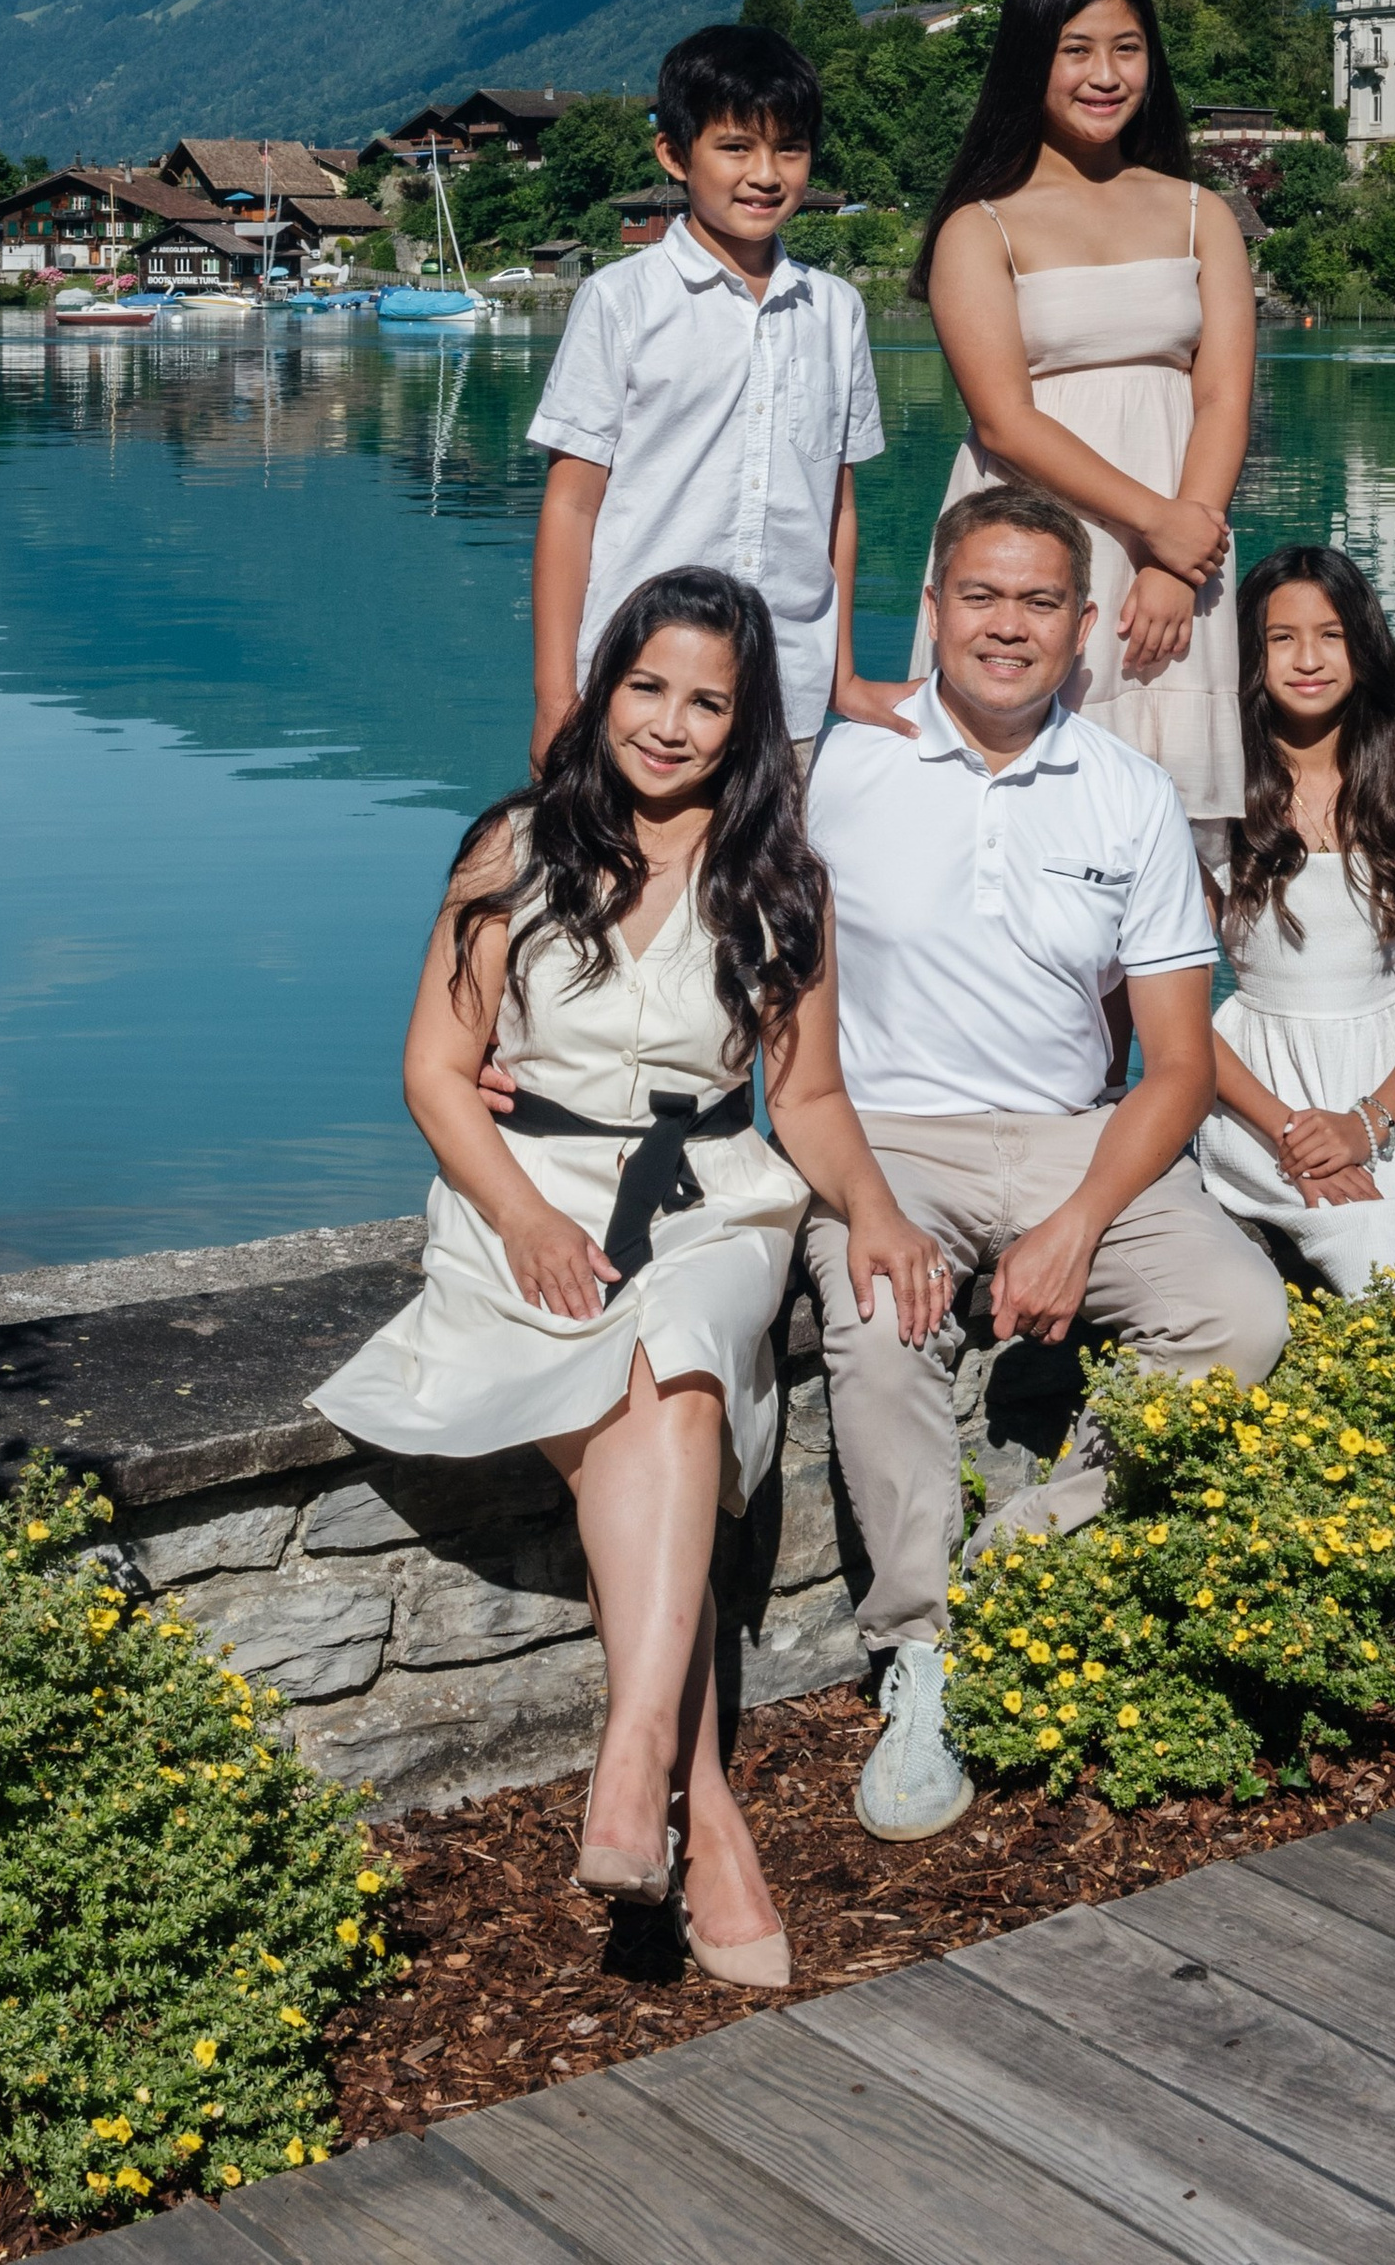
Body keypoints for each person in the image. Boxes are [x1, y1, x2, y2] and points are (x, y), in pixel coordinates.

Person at [309, 567, 949, 1985]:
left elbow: (816, 1101)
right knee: (655, 1405)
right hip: (523, 1193)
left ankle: (632, 1759)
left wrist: (884, 1216)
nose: (670, 723)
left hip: (716, 1201)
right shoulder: (514, 847)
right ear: (605, 687)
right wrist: (529, 1220)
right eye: (647, 686)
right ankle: (695, 1800)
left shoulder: (782, 882)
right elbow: (433, 1069)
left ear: (745, 721)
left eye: (707, 701)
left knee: (675, 1343)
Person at [803, 484, 1291, 1841]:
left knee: (1241, 1312)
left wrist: (1081, 1217)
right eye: (980, 594)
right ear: (934, 608)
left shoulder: (1131, 798)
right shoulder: (841, 766)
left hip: (1083, 1132)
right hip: (889, 1129)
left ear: (1083, 628)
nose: (1005, 626)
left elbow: (1179, 1066)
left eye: (1036, 602)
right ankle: (918, 1647)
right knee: (875, 1315)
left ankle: (1023, 1556)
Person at [911, 0, 1254, 863]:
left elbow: (1222, 397)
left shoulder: (1200, 213)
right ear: (1031, 60)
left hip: (1186, 548)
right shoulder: (979, 226)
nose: (1106, 75)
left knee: (1169, 850)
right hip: (1035, 529)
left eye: (1128, 48)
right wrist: (1158, 527)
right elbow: (1003, 422)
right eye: (1076, 49)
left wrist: (1180, 561)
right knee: (1013, 829)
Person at [528, 21, 902, 777]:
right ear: (673, 153)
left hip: (784, 694)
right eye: (735, 148)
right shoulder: (619, 301)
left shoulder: (836, 311)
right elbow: (570, 506)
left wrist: (844, 676)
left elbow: (839, 507)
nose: (765, 174)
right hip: (636, 693)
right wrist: (553, 698)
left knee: (766, 892)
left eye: (789, 149)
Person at [1197, 545, 1395, 1335]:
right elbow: (1182, 1015)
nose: (1307, 659)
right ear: (1248, 654)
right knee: (1381, 1260)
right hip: (1264, 1094)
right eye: (1280, 637)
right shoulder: (1212, 808)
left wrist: (1367, 1124)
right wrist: (1296, 1132)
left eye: (1330, 635)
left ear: (1364, 649)